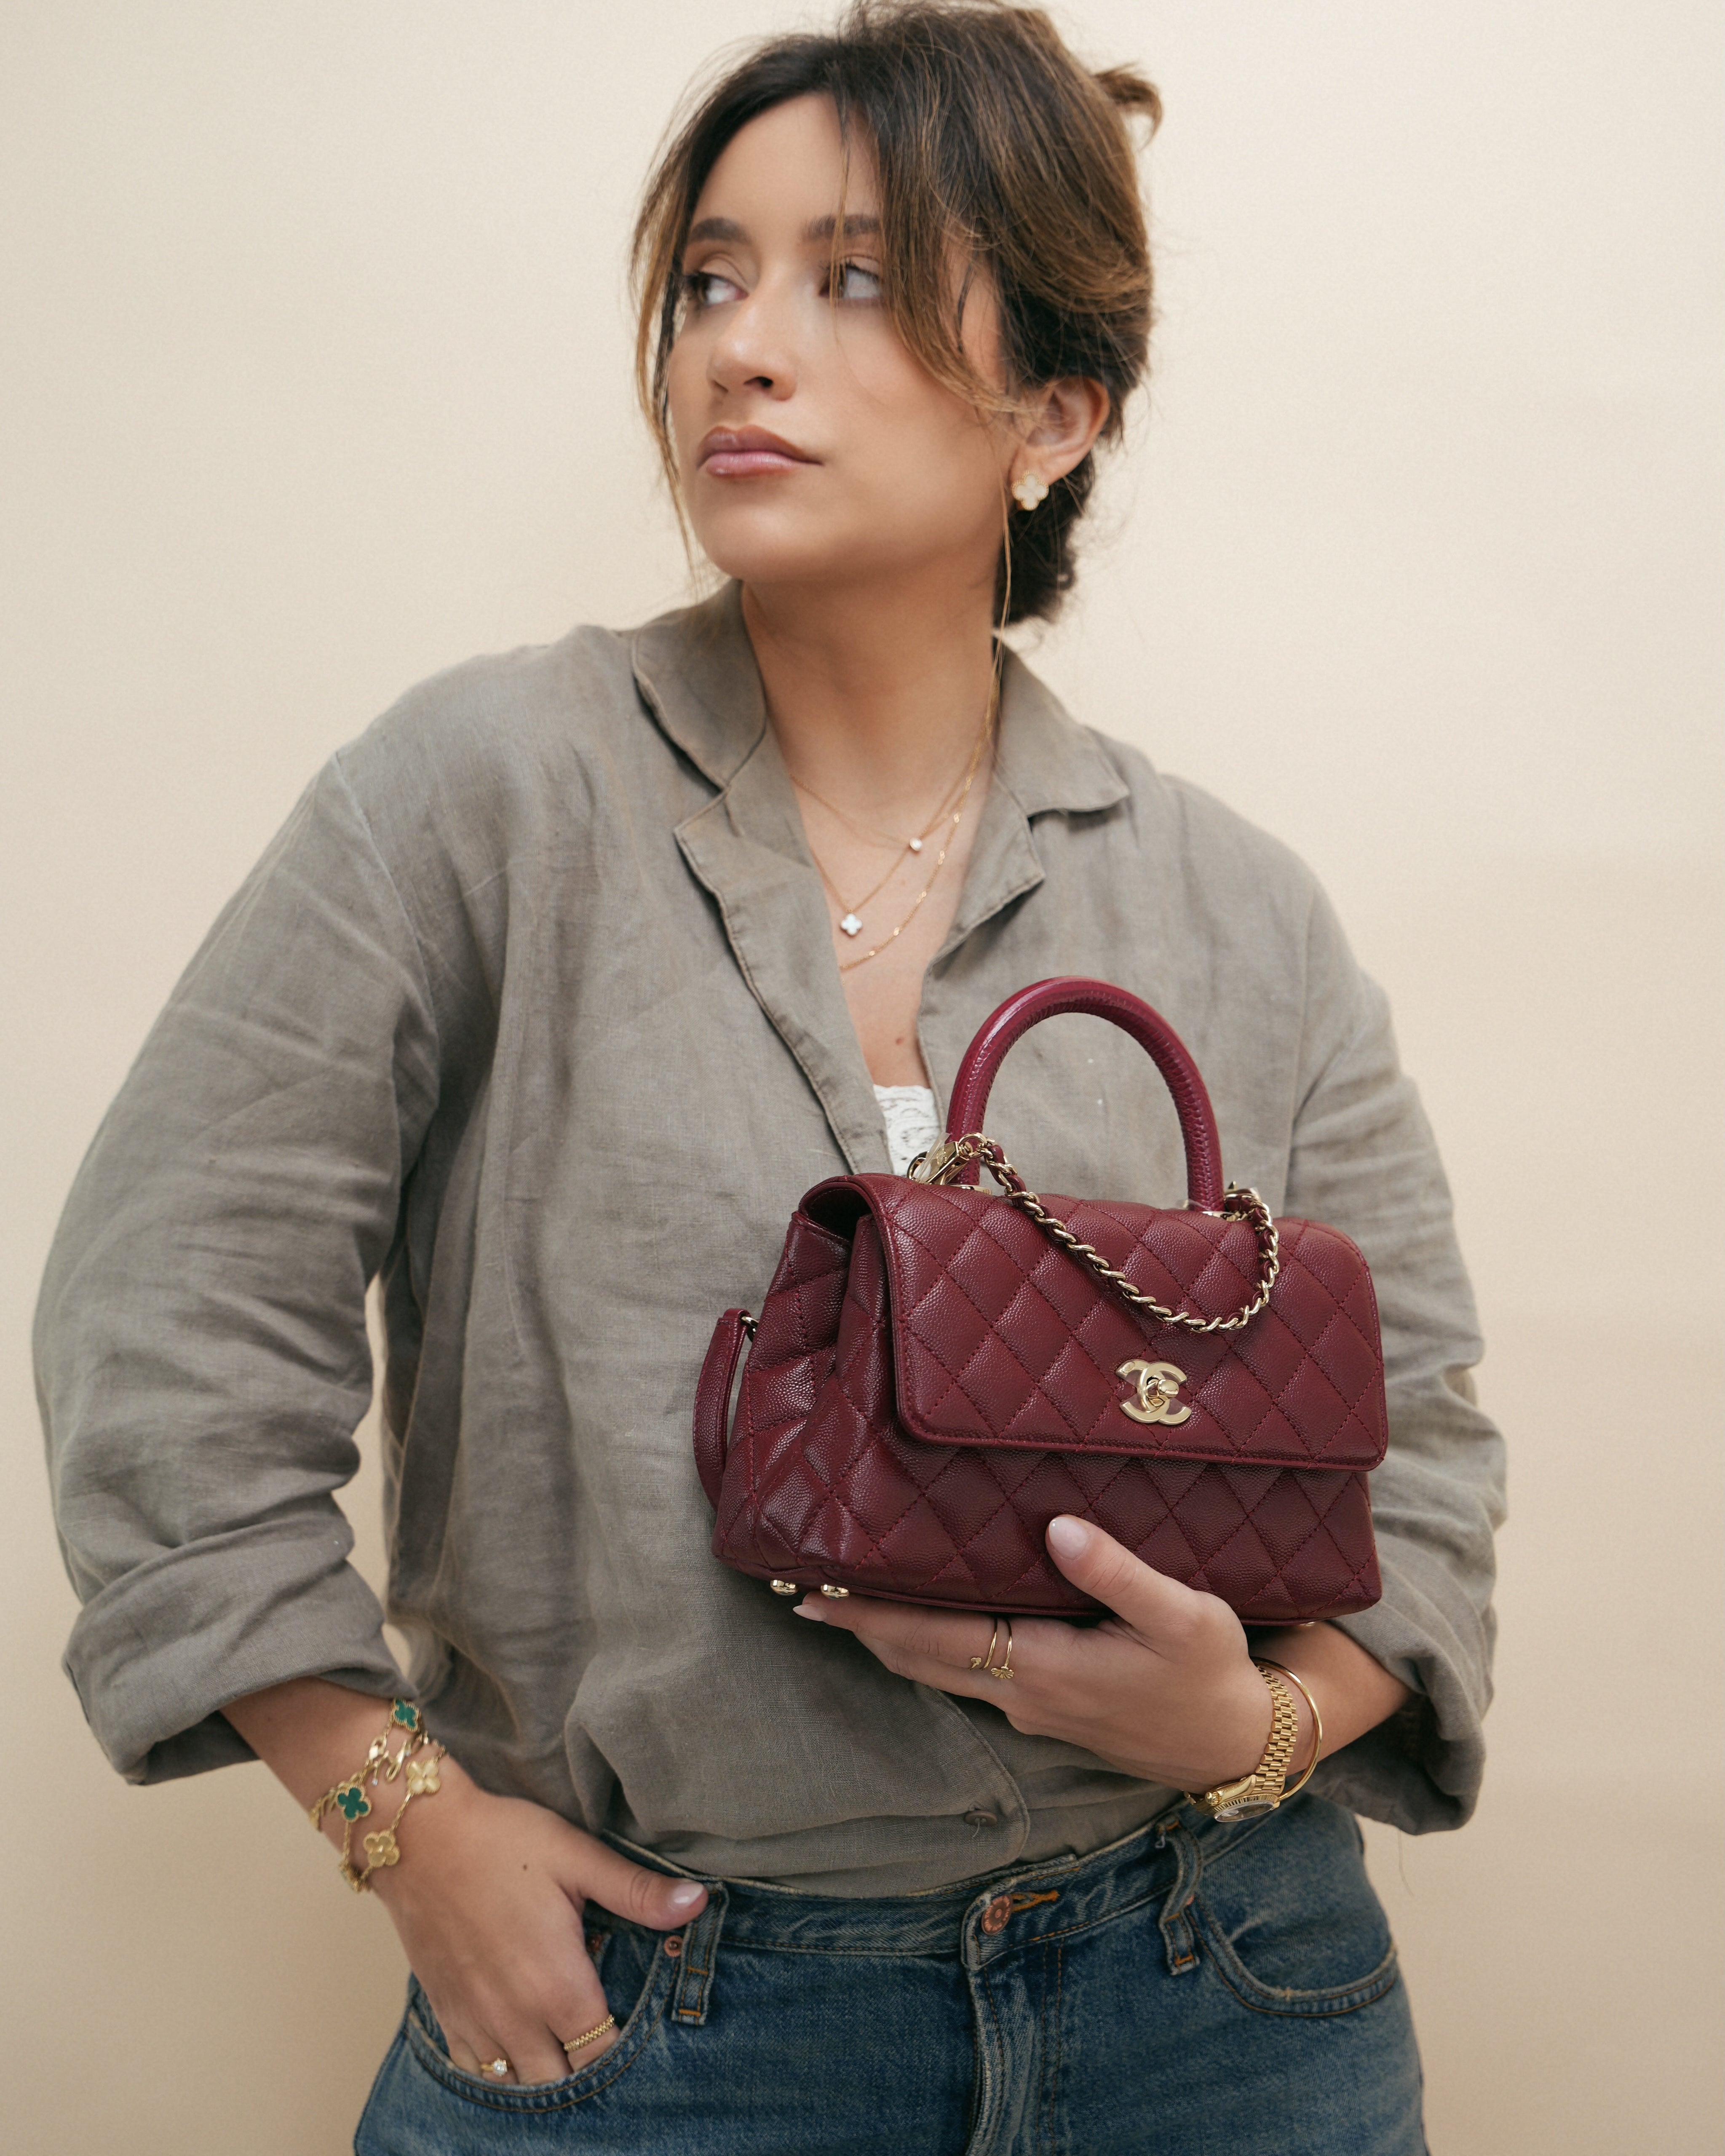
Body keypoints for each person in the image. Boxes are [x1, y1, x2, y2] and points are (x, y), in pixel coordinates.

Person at [35, 3, 1503, 2148]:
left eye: (857, 279)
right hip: (659, 2020)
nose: (740, 346)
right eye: (710, 280)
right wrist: (396, 1815)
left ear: (1056, 414)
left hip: (1224, 1998)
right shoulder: (481, 793)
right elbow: (164, 1312)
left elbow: (1428, 1453)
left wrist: (1260, 1730)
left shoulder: (1239, 909)